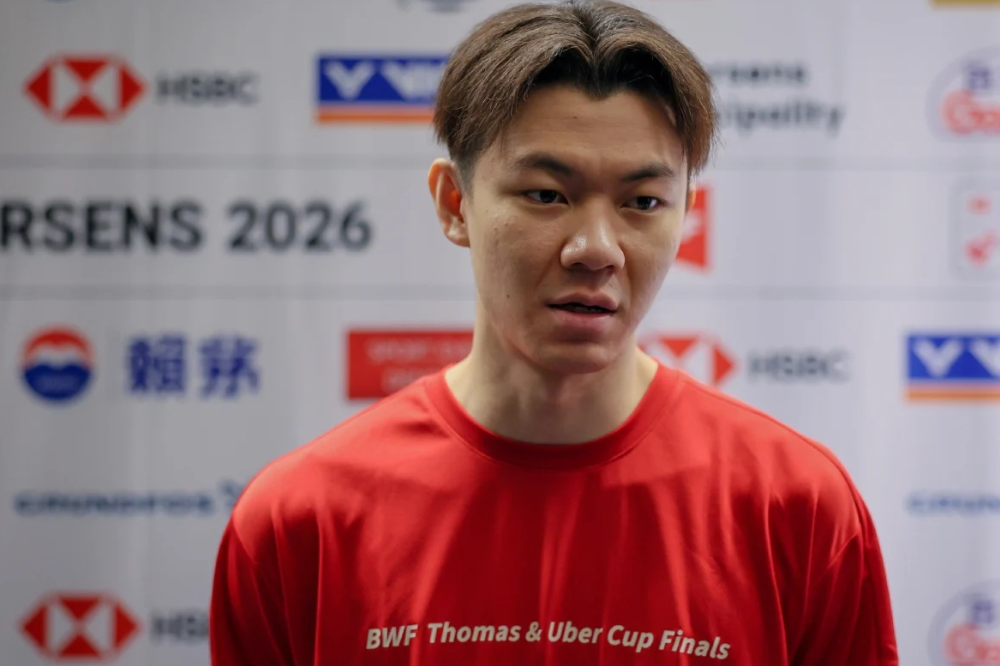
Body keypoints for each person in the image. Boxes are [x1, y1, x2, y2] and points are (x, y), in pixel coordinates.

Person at [209, 1, 899, 664]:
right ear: (455, 204)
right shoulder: (303, 520)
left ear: (685, 213)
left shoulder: (799, 509)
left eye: (642, 202)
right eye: (546, 194)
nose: (596, 247)